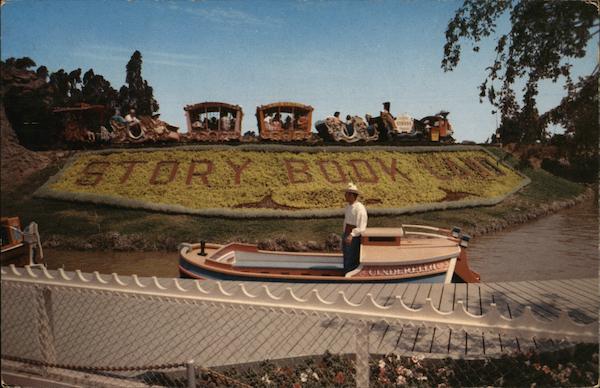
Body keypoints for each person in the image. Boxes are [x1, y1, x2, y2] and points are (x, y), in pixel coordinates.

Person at [342, 182, 367, 272]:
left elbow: (361, 226)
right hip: (346, 233)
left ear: (352, 195)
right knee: (346, 255)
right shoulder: (348, 206)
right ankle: (346, 271)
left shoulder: (359, 208)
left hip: (353, 236)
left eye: (347, 194)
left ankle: (350, 273)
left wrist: (352, 234)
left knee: (352, 255)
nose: (345, 196)